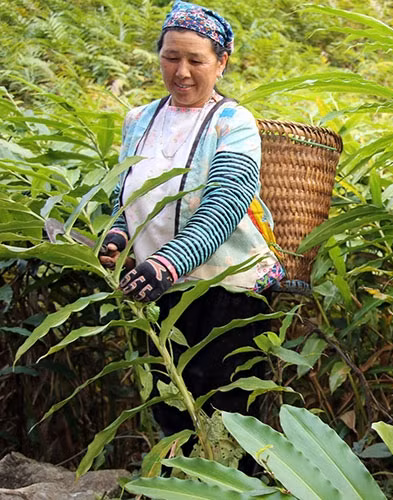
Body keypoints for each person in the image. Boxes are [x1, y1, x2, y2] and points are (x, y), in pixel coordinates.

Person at [98, 0, 284, 440]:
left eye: (196, 61)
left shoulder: (233, 123)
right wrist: (119, 236)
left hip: (227, 291)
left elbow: (226, 204)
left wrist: (167, 262)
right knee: (172, 407)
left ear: (221, 63)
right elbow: (123, 194)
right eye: (171, 57)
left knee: (228, 415)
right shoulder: (138, 120)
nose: (181, 72)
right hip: (158, 287)